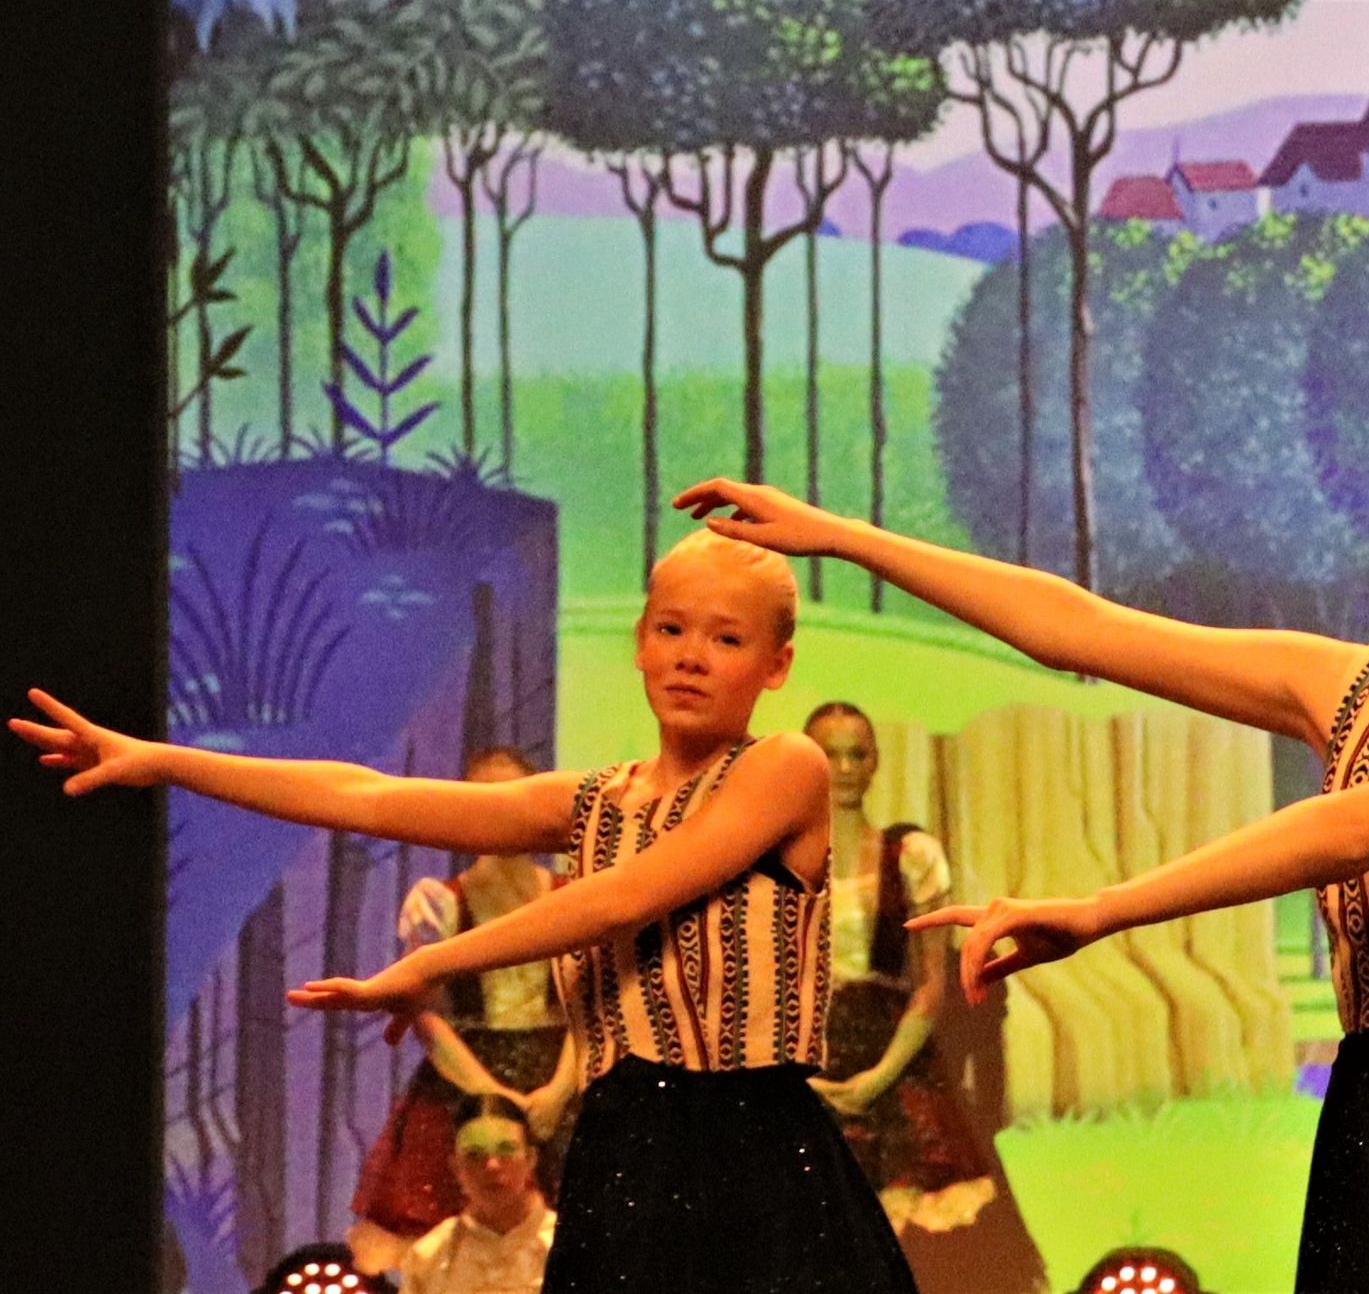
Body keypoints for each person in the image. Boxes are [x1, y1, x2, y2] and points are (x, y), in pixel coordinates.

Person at [675, 362, 1369, 1293]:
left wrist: (1103, 909)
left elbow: (1356, 826)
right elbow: (1081, 629)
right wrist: (839, 537)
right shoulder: (1347, 684)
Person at [11, 529, 917, 1294]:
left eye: (726, 638)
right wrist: (164, 759)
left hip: (753, 1146)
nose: (690, 655)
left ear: (776, 664)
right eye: (671, 628)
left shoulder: (784, 768)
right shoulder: (593, 802)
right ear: (641, 641)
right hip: (621, 1151)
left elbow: (623, 898)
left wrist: (432, 962)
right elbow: (367, 796)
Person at [803, 701, 1048, 1294]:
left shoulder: (909, 856)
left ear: (874, 762)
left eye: (856, 754)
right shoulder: (777, 863)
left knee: (934, 1237)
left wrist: (879, 1076)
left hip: (898, 1055)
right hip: (807, 1058)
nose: (844, 768)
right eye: (829, 755)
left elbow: (931, 982)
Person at [349, 747, 577, 1275]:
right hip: (462, 1082)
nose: (501, 814)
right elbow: (426, 1015)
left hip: (561, 1085)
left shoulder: (573, 895)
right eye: (484, 801)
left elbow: (594, 1008)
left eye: (515, 799)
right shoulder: (440, 902)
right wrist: (489, 1095)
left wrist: (561, 1090)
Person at [396, 1095, 557, 1294]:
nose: (491, 1165)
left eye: (506, 1150)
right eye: (474, 1154)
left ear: (531, 1159)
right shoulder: (429, 1259)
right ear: (456, 1167)